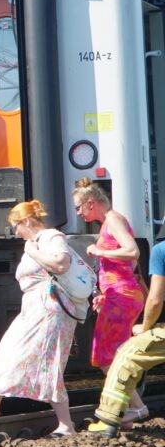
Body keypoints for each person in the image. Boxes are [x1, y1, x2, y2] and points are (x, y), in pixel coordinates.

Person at [0, 200, 78, 437]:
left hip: (50, 310)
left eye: (16, 225)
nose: (15, 231)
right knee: (8, 353)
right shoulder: (33, 242)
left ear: (26, 221)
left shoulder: (51, 237)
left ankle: (66, 424)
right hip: (33, 310)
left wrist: (34, 252)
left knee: (49, 363)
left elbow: (61, 264)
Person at [73, 177, 147, 417]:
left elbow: (132, 251)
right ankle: (125, 412)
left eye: (79, 207)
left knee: (105, 353)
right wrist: (105, 293)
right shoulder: (109, 222)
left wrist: (99, 250)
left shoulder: (113, 219)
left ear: (91, 203)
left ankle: (135, 407)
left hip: (122, 295)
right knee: (114, 353)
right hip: (119, 294)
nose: (77, 212)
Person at [88, 239, 165, 437]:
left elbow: (156, 299)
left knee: (125, 355)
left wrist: (146, 327)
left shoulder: (161, 250)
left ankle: (110, 420)